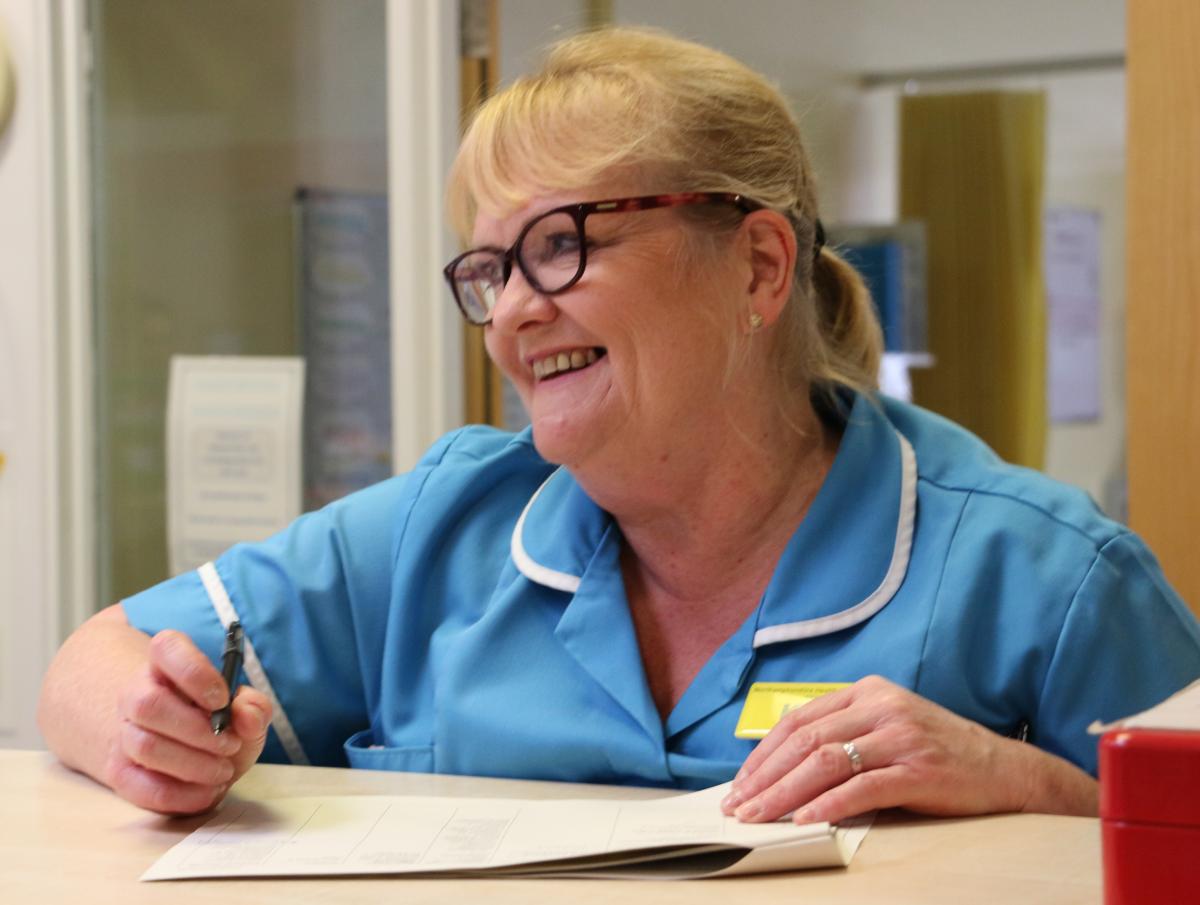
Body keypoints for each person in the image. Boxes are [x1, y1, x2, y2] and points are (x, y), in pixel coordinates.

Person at [39, 27, 1200, 823]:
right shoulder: (446, 523)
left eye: (564, 244)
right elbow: (88, 665)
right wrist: (156, 738)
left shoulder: (1049, 579)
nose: (518, 310)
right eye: (492, 267)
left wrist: (1032, 786)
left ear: (755, 265)